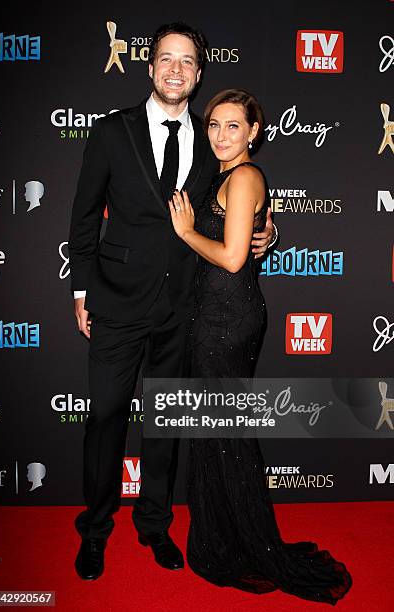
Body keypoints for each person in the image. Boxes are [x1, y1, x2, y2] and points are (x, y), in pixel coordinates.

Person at [68, 23, 276, 581]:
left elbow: (237, 197)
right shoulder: (113, 131)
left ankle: (155, 526)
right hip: (114, 304)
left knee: (163, 425)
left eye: (187, 61)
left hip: (182, 310)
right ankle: (95, 530)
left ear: (199, 73)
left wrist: (266, 226)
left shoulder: (212, 141)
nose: (176, 69)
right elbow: (84, 217)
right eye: (166, 59)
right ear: (150, 66)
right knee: (105, 421)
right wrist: (81, 290)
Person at [169, 89, 352, 605]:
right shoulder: (224, 178)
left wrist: (186, 231)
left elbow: (229, 259)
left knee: (226, 432)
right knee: (217, 431)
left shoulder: (245, 176)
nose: (222, 135)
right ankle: (224, 535)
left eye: (234, 126)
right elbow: (242, 242)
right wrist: (264, 233)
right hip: (214, 317)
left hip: (227, 321)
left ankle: (247, 542)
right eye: (214, 126)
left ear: (254, 132)